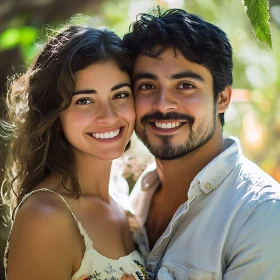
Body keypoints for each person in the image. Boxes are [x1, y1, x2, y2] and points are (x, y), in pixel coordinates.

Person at [123, 8, 280, 279]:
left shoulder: (262, 215)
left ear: (222, 98)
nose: (162, 104)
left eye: (185, 85)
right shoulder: (138, 194)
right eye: (147, 86)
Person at [1, 23, 148, 280]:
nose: (109, 116)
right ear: (55, 114)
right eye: (84, 100)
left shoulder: (122, 203)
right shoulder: (45, 218)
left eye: (120, 95)